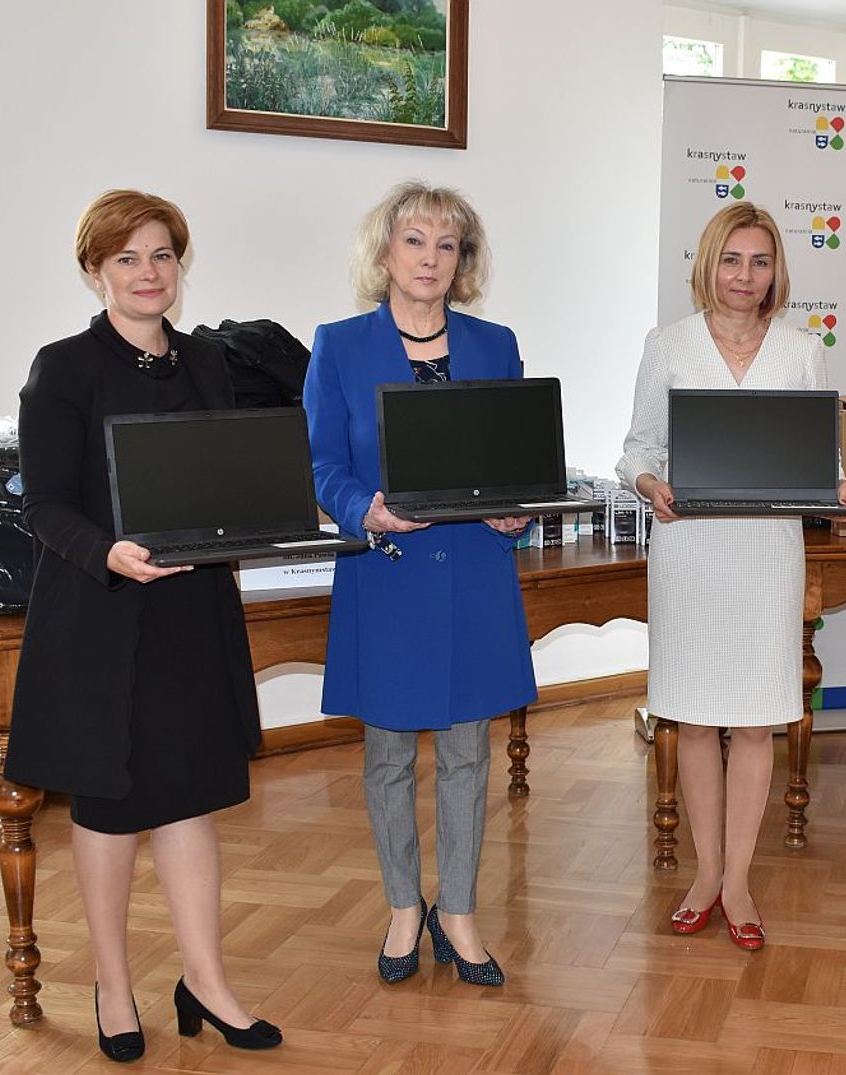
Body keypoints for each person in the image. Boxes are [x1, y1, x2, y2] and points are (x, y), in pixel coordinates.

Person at [4, 190, 282, 1061]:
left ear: (179, 265)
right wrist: (110, 553)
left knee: (190, 795)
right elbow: (43, 505)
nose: (148, 272)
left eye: (162, 254)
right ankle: (114, 985)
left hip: (191, 612)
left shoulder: (206, 361)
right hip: (103, 613)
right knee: (111, 805)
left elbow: (226, 472)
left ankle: (206, 980)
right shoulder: (63, 367)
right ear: (96, 272)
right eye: (126, 258)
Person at [304, 181, 532, 987]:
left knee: (469, 751)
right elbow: (322, 462)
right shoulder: (338, 345)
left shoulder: (495, 344)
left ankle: (458, 912)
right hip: (387, 573)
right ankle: (405, 905)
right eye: (414, 241)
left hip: (474, 570)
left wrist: (517, 510)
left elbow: (515, 458)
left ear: (462, 261)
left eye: (447, 245)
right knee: (389, 754)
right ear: (385, 251)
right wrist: (360, 508)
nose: (430, 259)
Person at [618, 203, 846, 950]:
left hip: (767, 557)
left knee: (755, 721)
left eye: (759, 261)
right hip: (689, 552)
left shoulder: (802, 350)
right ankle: (705, 875)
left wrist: (841, 489)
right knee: (693, 719)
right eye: (731, 259)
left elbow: (823, 460)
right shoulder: (667, 344)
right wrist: (649, 483)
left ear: (775, 270)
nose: (744, 275)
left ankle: (740, 883)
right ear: (708, 265)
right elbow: (636, 449)